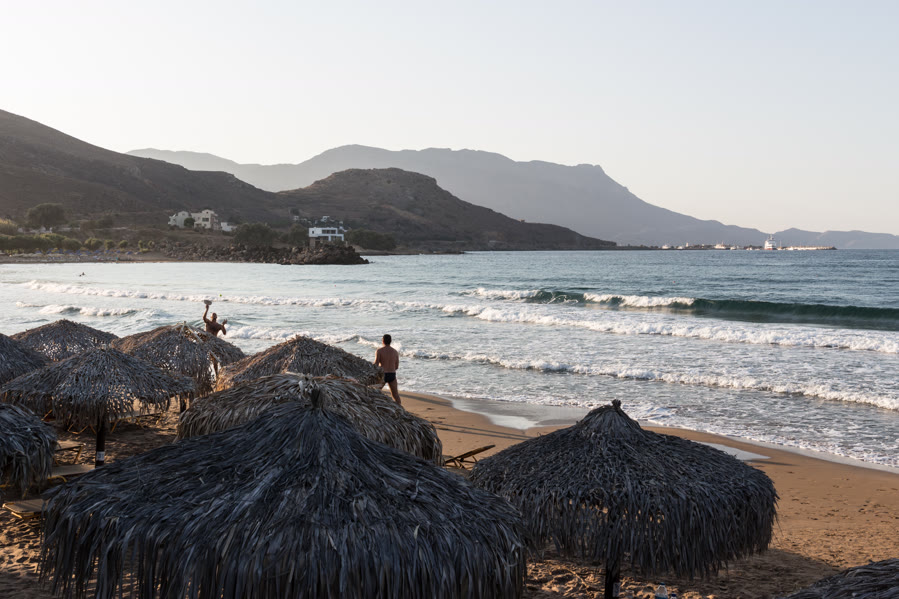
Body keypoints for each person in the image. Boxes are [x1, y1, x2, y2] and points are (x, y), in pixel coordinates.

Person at [374, 334, 401, 405]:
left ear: (382, 341)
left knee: (375, 393)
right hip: (392, 375)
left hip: (382, 374)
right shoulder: (395, 352)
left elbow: (376, 364)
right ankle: (400, 409)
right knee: (395, 395)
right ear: (391, 341)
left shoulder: (379, 351)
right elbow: (396, 366)